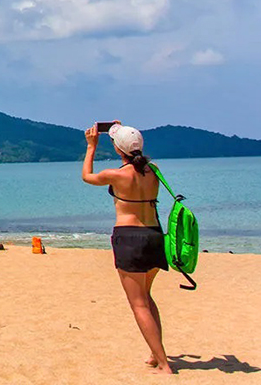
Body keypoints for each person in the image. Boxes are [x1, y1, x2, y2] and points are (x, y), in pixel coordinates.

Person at [82, 122, 173, 375]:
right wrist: (123, 136)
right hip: (154, 235)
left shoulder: (117, 175)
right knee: (147, 298)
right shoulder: (154, 171)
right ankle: (156, 354)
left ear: (118, 149)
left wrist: (91, 147)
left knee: (139, 304)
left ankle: (164, 363)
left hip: (129, 238)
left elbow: (87, 177)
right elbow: (136, 157)